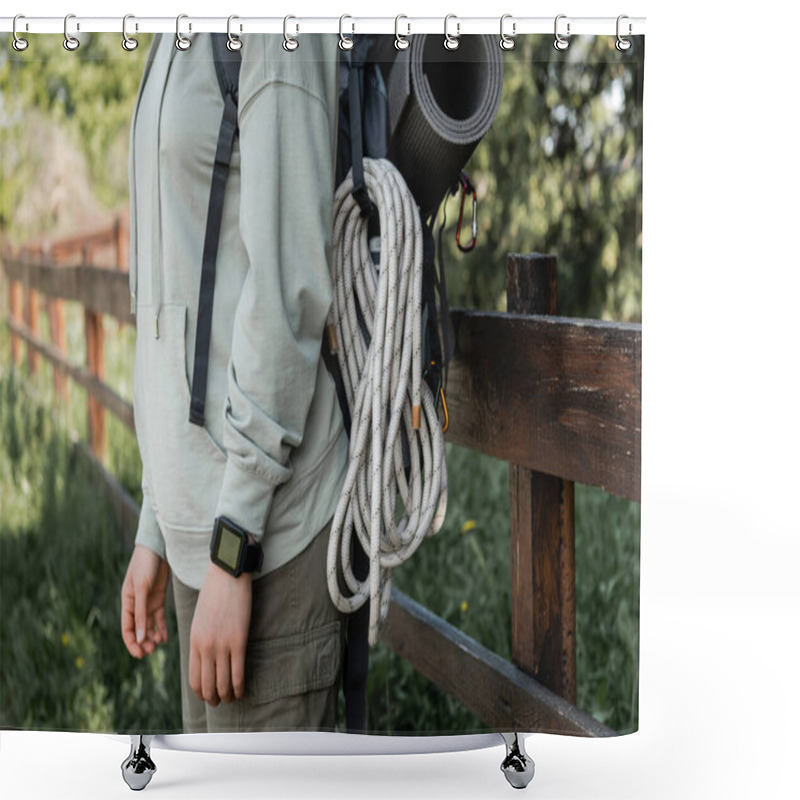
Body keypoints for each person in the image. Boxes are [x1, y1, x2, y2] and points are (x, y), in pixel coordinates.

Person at [120, 31, 349, 734]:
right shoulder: (169, 37)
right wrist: (157, 524)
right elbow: (175, 302)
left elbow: (287, 295)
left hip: (264, 544)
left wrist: (234, 547)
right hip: (205, 541)